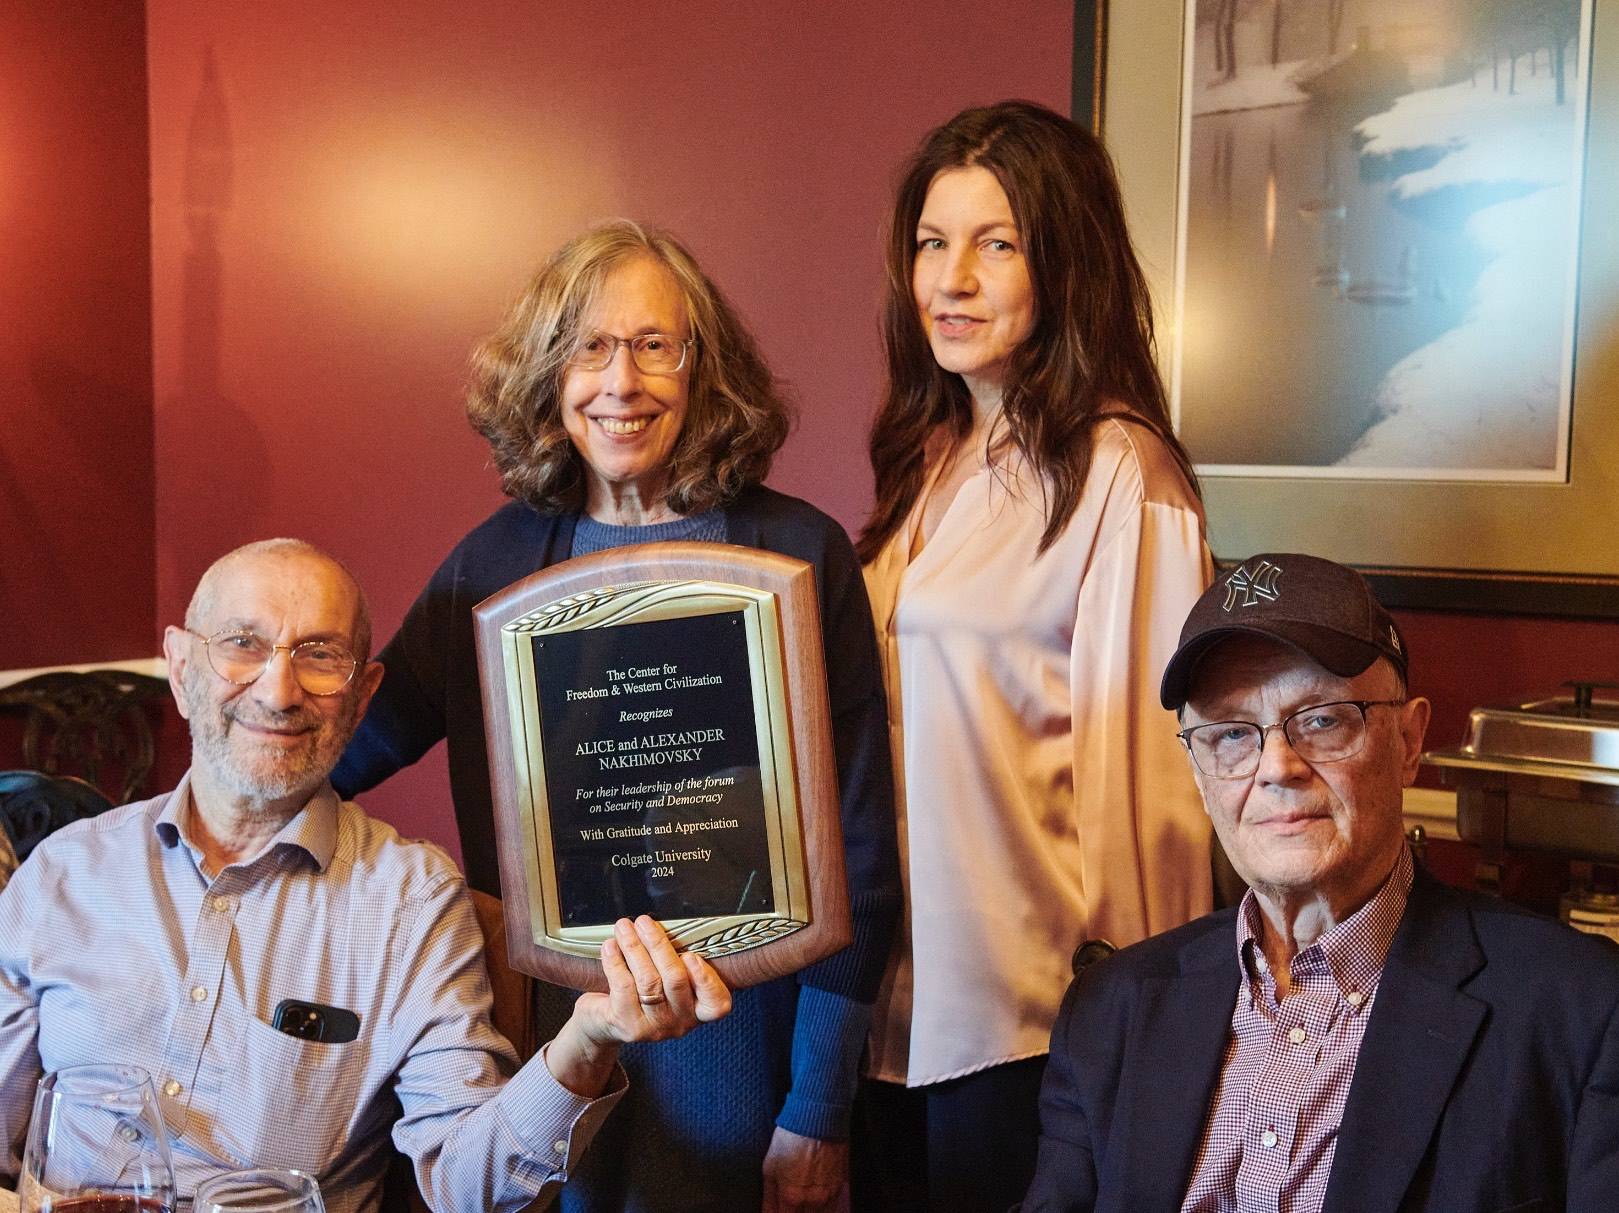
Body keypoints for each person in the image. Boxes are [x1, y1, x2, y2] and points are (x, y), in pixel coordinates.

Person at [332, 221, 901, 1212]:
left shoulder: (793, 554)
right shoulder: (493, 566)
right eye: (587, 347)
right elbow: (351, 745)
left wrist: (818, 1105)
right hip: (558, 1032)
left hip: (746, 1036)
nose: (619, 381)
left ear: (702, 367)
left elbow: (855, 854)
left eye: (653, 346)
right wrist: (190, 826)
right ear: (548, 374)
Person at [0, 539, 731, 1213]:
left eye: (318, 655)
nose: (279, 689)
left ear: (363, 693)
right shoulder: (62, 872)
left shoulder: (410, 900)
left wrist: (589, 1039)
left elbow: (466, 1181)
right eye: (242, 644)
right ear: (182, 667)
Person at [853, 100, 1214, 1210]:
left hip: (1029, 1030)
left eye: (993, 243)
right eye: (929, 242)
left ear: (1063, 262)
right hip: (883, 1013)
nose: (948, 279)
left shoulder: (1123, 474)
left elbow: (1153, 791)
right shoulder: (928, 456)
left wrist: (1140, 1044)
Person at [1023, 553, 1619, 1212]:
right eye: (1229, 733)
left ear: (1409, 740)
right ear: (1195, 768)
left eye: (1322, 719)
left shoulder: (1580, 1014)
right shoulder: (1109, 1010)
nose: (1276, 766)